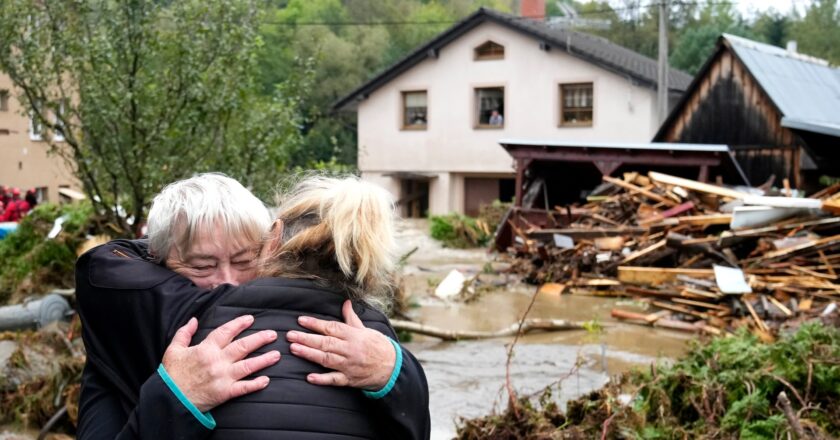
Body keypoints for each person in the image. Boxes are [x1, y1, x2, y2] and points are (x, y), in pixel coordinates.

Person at [75, 173, 429, 439]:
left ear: (270, 246)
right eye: (201, 266)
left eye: (244, 261)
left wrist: (393, 370)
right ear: (155, 262)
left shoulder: (365, 340)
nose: (226, 281)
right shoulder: (127, 325)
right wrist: (176, 399)